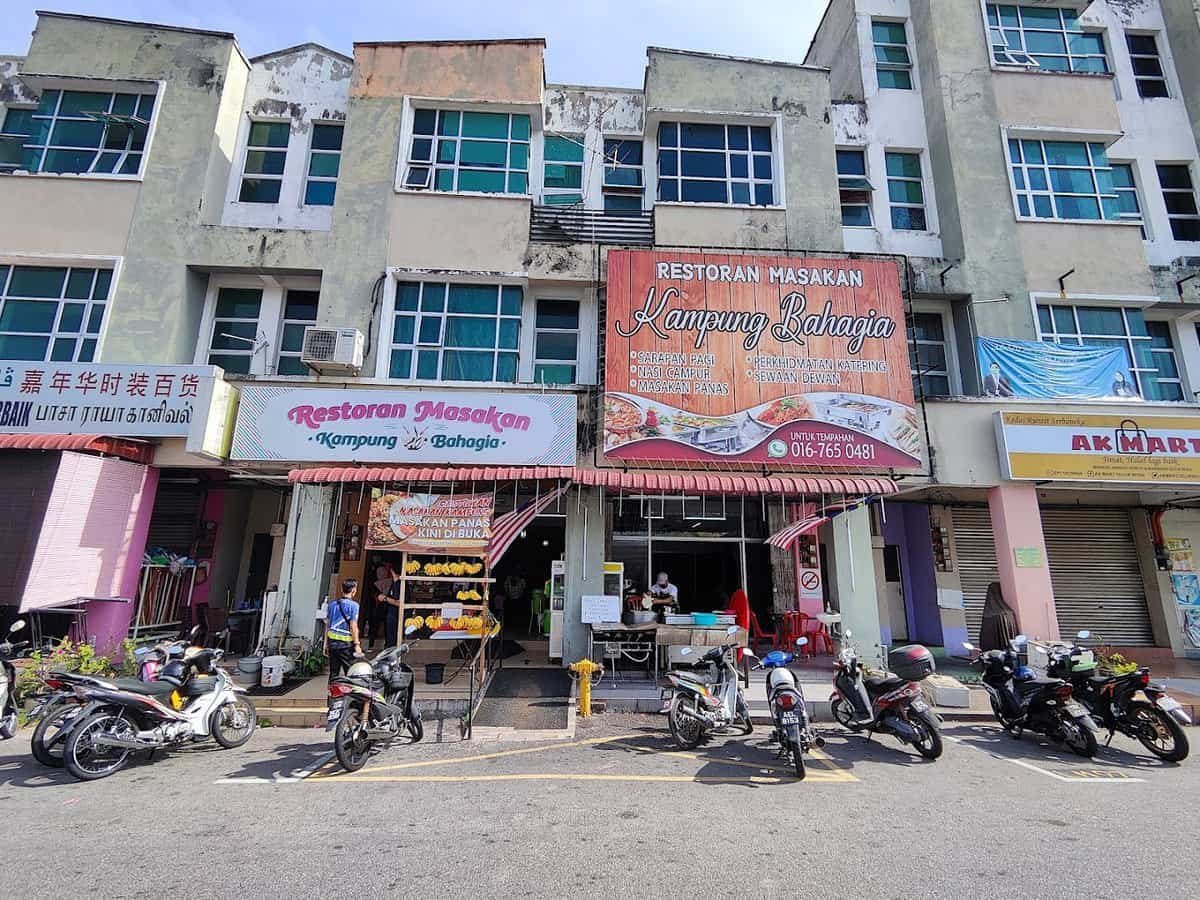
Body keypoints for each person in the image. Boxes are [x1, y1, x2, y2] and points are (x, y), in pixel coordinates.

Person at [324, 578, 363, 682]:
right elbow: (353, 626)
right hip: (345, 645)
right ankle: (349, 692)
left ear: (342, 589)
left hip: (332, 643)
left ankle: (332, 692)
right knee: (350, 673)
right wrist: (357, 644)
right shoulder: (354, 606)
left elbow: (327, 625)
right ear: (354, 590)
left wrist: (326, 644)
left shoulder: (332, 605)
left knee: (334, 673)